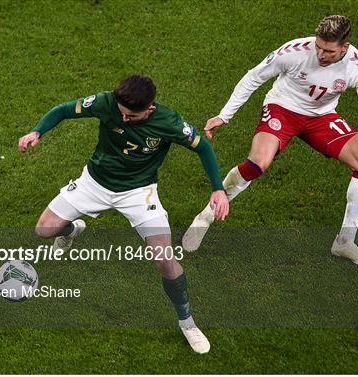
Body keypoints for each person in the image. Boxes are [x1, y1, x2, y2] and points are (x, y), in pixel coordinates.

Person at [18, 75, 229, 353]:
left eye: (132, 115)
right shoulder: (107, 102)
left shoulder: (169, 122)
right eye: (121, 113)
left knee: (165, 260)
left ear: (150, 108)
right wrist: (37, 132)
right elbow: (63, 110)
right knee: (43, 230)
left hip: (138, 193)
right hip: (93, 184)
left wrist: (218, 189)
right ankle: (72, 230)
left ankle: (187, 322)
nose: (124, 119)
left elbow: (202, 147)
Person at [182, 15, 358, 268]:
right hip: (282, 109)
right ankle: (206, 216)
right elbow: (253, 77)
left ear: (345, 47)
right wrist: (225, 115)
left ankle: (344, 242)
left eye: (329, 51)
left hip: (321, 117)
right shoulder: (295, 51)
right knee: (258, 162)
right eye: (319, 47)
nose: (321, 54)